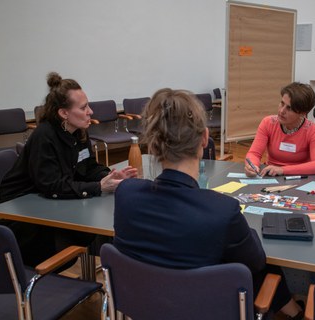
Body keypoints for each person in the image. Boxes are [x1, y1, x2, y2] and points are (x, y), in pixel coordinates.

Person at [113, 88, 304, 320]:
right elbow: (256, 262)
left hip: (145, 308)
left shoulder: (125, 194)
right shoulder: (222, 211)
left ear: (153, 145)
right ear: (205, 138)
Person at [0, 72, 137, 266]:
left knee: (96, 223)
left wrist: (109, 175)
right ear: (63, 113)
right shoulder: (44, 137)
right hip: (23, 216)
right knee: (81, 232)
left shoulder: (79, 132)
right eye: (83, 107)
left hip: (49, 203)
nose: (91, 112)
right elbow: (52, 185)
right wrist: (99, 186)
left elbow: (87, 167)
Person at [245, 82, 315, 177]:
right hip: (271, 176)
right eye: (282, 103)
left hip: (299, 179)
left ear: (302, 113)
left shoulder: (313, 130)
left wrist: (282, 170)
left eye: (289, 108)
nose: (281, 111)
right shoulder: (268, 123)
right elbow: (254, 153)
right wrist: (252, 165)